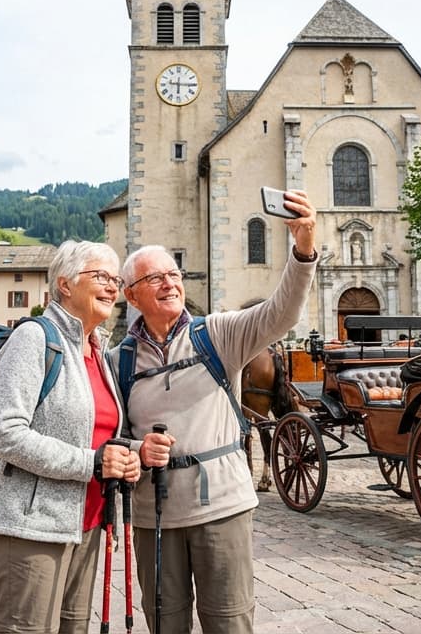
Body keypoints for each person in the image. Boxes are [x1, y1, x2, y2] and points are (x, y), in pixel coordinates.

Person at [114, 190, 318, 634]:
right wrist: (136, 447)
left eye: (174, 273)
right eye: (155, 279)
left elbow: (280, 315)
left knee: (228, 623)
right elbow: (109, 436)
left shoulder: (219, 333)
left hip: (221, 508)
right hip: (155, 516)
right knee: (165, 624)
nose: (170, 283)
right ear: (131, 295)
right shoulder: (121, 360)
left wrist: (302, 250)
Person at [0, 241, 141, 634]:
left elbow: (96, 434)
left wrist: (130, 454)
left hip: (87, 525)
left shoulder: (96, 350)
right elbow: (3, 433)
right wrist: (91, 463)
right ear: (65, 284)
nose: (112, 288)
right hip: (31, 529)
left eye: (115, 279)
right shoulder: (34, 339)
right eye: (101, 277)